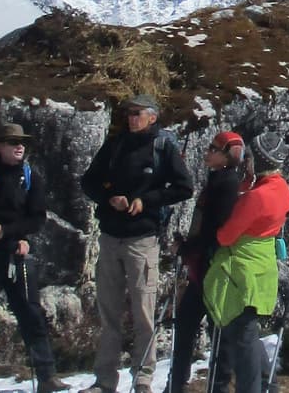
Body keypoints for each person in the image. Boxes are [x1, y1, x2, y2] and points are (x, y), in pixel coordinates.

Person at [80, 93, 195, 393]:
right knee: (109, 312)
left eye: (137, 113)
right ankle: (105, 380)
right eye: (128, 113)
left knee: (144, 313)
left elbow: (185, 187)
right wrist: (110, 198)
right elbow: (88, 181)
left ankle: (143, 377)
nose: (131, 118)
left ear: (152, 117)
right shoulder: (115, 145)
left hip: (142, 240)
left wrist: (146, 201)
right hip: (110, 237)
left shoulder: (162, 147)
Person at [0, 122, 66, 393]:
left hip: (16, 253)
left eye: (22, 142)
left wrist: (8, 233)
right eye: (12, 142)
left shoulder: (31, 176)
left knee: (31, 313)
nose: (19, 146)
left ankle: (47, 376)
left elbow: (37, 217)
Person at [203, 131, 289, 393]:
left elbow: (226, 234)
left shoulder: (256, 197)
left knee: (242, 341)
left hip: (240, 272)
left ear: (259, 161)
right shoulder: (282, 189)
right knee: (248, 336)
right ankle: (269, 386)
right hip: (262, 269)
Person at [168, 131, 246, 392]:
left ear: (226, 156)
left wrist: (185, 248)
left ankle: (212, 386)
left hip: (211, 269)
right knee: (191, 325)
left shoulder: (226, 184)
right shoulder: (220, 180)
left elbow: (214, 231)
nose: (207, 151)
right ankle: (177, 383)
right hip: (202, 268)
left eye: (214, 148)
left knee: (213, 332)